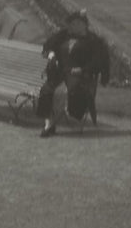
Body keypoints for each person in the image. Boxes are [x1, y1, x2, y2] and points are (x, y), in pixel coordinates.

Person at [36, 9, 111, 137]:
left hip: (81, 76)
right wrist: (51, 53)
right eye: (71, 23)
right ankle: (49, 123)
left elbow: (100, 60)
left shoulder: (93, 40)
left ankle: (54, 122)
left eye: (76, 23)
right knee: (47, 90)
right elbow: (48, 45)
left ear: (84, 24)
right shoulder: (63, 35)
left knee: (67, 92)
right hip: (61, 73)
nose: (72, 26)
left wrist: (84, 69)